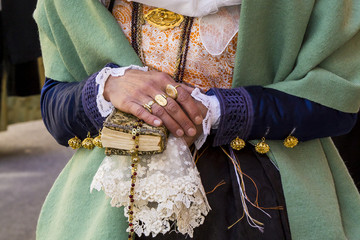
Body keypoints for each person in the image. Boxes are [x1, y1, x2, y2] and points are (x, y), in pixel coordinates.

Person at [34, 0, 360, 239]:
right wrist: (107, 88)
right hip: (110, 213)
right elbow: (55, 109)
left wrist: (217, 111)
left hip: (265, 205)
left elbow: (337, 102)